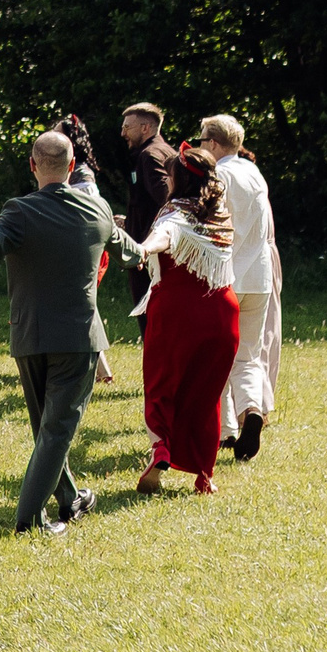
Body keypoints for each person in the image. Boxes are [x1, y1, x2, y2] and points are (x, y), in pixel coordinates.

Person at [0, 130, 146, 535]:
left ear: (33, 166)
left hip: (29, 336)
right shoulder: (96, 209)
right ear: (71, 168)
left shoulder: (18, 211)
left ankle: (69, 498)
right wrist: (148, 250)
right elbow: (131, 253)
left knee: (47, 429)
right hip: (77, 338)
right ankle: (29, 521)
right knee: (57, 429)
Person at [130, 144, 241, 496]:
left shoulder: (175, 212)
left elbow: (167, 234)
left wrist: (144, 247)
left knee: (162, 386)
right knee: (207, 396)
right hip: (223, 312)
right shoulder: (219, 214)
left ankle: (161, 449)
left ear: (177, 179)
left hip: (179, 311)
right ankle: (204, 476)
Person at [198, 114, 279, 460]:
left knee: (216, 354)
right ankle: (252, 409)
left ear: (214, 143)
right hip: (258, 278)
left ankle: (227, 428)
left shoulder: (220, 175)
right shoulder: (253, 172)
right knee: (247, 355)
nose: (201, 146)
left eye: (202, 140)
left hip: (227, 277)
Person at [61, 113, 119, 385]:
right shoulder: (69, 171)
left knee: (84, 306)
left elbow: (87, 213)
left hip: (86, 248)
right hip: (74, 246)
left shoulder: (81, 173)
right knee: (84, 306)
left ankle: (100, 371)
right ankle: (102, 371)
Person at [119, 102, 180, 316]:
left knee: (150, 317)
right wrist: (130, 221)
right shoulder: (167, 151)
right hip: (157, 248)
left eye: (127, 127)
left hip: (149, 254)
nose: (122, 133)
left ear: (146, 128)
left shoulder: (150, 155)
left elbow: (168, 200)